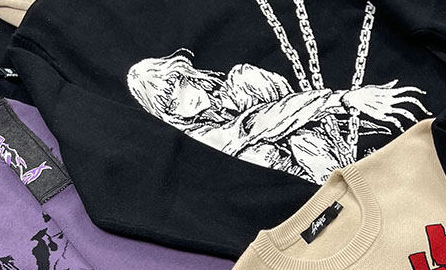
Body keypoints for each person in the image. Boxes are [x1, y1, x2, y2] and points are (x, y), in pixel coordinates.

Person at [127, 51, 427, 181]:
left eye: (180, 84)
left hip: (316, 141)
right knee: (277, 137)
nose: (187, 98)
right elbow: (255, 123)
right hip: (296, 185)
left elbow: (277, 109)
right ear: (168, 114)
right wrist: (343, 99)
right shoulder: (199, 137)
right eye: (173, 103)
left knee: (245, 78)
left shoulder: (236, 85)